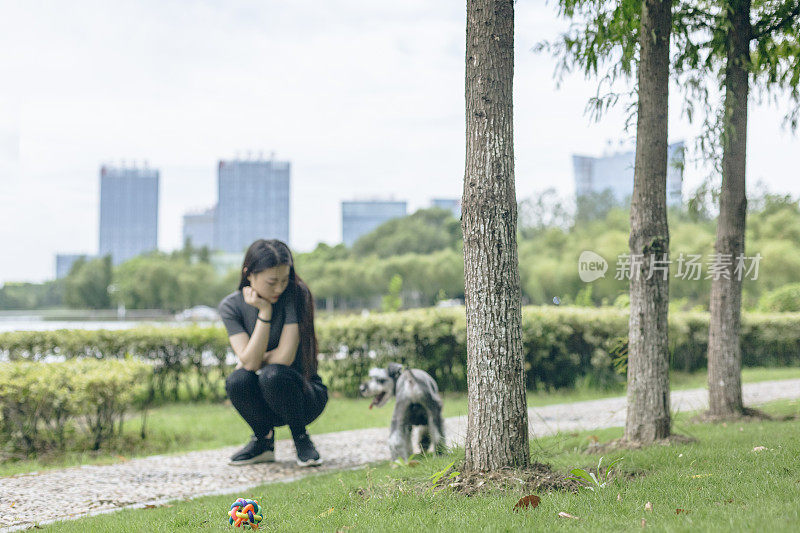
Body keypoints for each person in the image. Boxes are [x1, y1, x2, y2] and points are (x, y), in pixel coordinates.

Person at [218, 239, 328, 467]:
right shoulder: (231, 306)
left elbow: (284, 358)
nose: (279, 288)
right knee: (237, 380)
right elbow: (247, 365)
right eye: (272, 282)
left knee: (272, 374)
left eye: (284, 280)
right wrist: (265, 312)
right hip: (264, 403)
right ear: (249, 274)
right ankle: (263, 442)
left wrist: (254, 360)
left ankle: (301, 437)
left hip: (304, 396)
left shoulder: (296, 296)